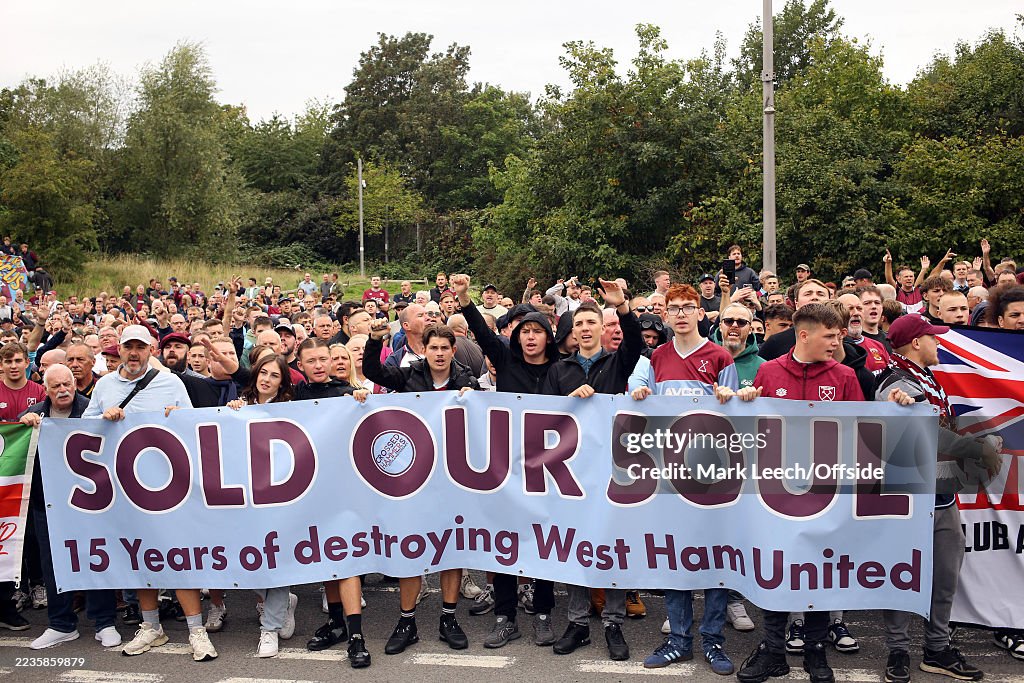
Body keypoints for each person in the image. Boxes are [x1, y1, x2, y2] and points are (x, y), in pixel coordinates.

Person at [81, 325, 216, 661]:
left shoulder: (170, 382)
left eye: (140, 347)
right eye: (128, 347)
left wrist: (179, 416)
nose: (134, 353)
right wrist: (103, 418)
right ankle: (151, 626)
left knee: (178, 557)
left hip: (168, 485)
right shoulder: (105, 386)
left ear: (151, 350)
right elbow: (83, 428)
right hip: (125, 486)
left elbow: (193, 425)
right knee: (141, 557)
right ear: (119, 350)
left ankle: (196, 631)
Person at [875, 314, 996, 683]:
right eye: (933, 337)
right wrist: (973, 449)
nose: (939, 343)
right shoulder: (894, 381)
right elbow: (913, 428)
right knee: (900, 574)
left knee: (944, 573)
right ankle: (898, 650)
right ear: (916, 343)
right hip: (907, 500)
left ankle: (937, 648)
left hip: (941, 494)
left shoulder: (926, 377)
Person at [631, 284, 738, 675]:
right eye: (673, 308)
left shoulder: (720, 356)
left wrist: (729, 396)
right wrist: (639, 392)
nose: (680, 314)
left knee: (715, 557)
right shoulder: (656, 356)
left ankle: (712, 639)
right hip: (670, 472)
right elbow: (637, 391)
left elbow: (736, 412)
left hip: (711, 472)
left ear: (699, 312)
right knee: (675, 556)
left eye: (687, 307)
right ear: (665, 314)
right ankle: (679, 639)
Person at [452, 273, 560, 648]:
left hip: (547, 473)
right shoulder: (505, 361)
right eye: (524, 331)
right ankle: (505, 618)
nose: (529, 337)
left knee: (544, 545)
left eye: (537, 331)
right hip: (507, 471)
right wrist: (465, 299)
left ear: (549, 337)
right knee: (506, 546)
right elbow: (483, 334)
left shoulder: (561, 370)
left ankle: (543, 614)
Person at [542, 280, 643, 663]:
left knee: (611, 547)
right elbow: (543, 417)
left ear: (602, 328)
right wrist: (570, 401)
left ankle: (613, 623)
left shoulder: (617, 362)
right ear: (572, 331)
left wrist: (623, 307)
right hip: (572, 474)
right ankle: (578, 623)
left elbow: (635, 343)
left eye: (591, 322)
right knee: (577, 547)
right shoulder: (559, 370)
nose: (585, 329)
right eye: (579, 324)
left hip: (613, 470)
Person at [363, 321, 476, 656]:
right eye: (433, 348)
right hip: (413, 478)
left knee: (451, 549)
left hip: (451, 480)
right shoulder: (408, 374)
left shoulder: (467, 380)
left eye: (444, 348)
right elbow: (372, 371)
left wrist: (475, 399)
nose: (439, 354)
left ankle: (448, 618)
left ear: (453, 351)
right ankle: (407, 621)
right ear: (423, 350)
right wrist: (374, 340)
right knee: (410, 548)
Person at [23, 365, 120, 649]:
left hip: (90, 503)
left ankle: (104, 622)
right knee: (53, 564)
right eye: (56, 386)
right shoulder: (34, 415)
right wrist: (23, 425)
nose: (63, 390)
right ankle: (61, 624)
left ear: (75, 384)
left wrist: (111, 419)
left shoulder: (92, 411)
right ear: (45, 389)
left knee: (97, 559)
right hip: (47, 504)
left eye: (67, 384)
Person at [222, 355, 302, 658]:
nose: (267, 379)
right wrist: (230, 415)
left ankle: (269, 629)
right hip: (244, 500)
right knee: (244, 562)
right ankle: (281, 603)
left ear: (283, 383)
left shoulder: (291, 410)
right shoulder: (238, 407)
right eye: (263, 373)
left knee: (276, 564)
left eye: (274, 375)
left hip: (280, 499)